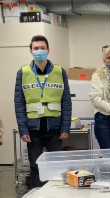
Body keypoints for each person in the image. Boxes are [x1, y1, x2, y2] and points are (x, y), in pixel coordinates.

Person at [14, 35, 72, 188]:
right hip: (33, 129)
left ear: (48, 50)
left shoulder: (60, 72)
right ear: (31, 51)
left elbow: (66, 101)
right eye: (36, 48)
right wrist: (22, 129)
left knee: (55, 167)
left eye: (42, 48)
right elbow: (19, 103)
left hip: (54, 128)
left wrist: (65, 127)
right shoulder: (23, 72)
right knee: (35, 167)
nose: (39, 51)